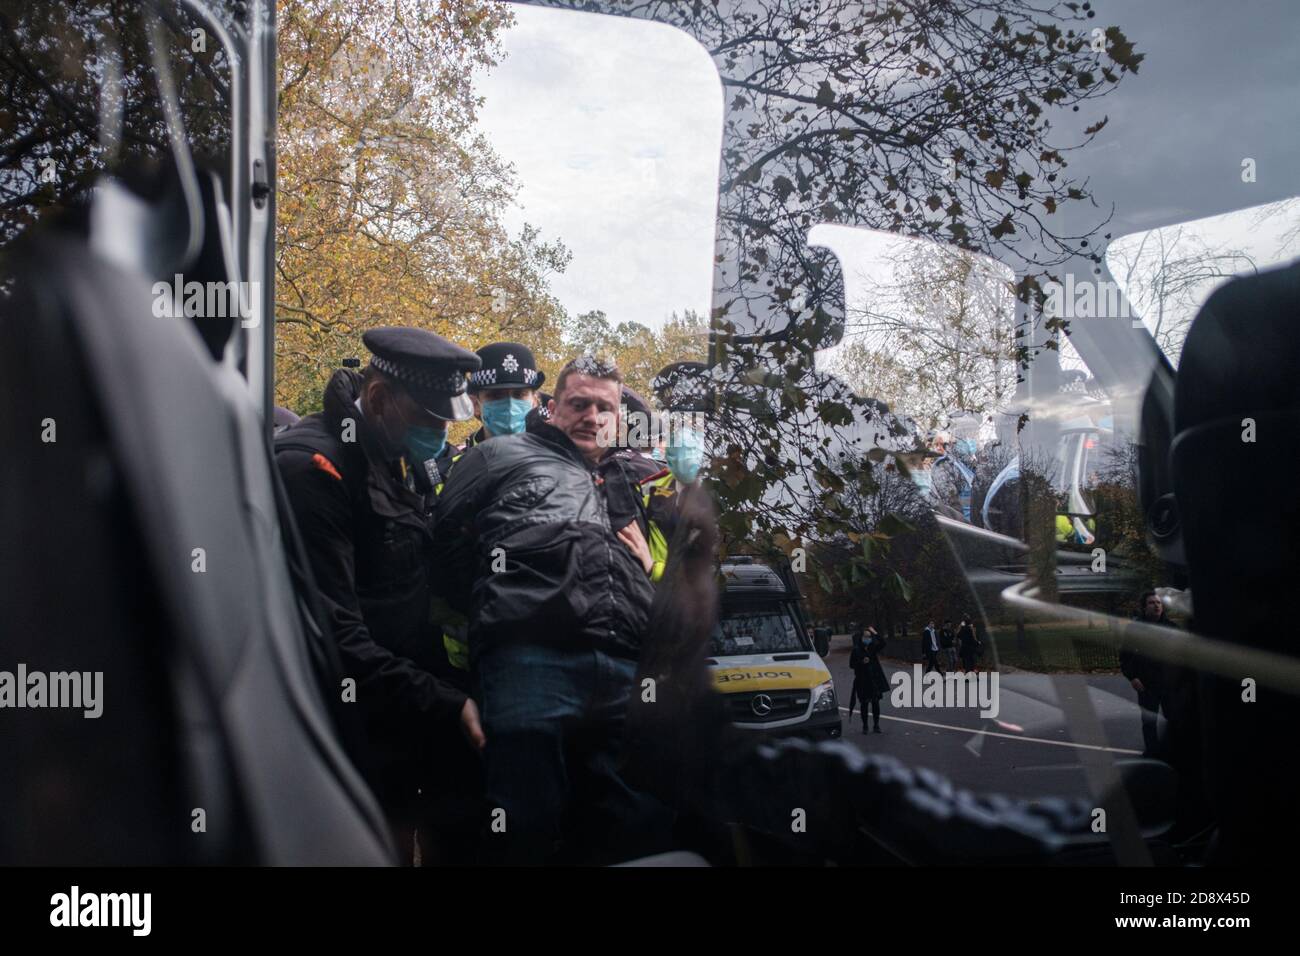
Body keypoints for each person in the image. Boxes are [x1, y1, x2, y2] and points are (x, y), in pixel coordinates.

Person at [430, 355, 669, 864]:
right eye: (579, 403)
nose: (592, 416)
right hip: (529, 661)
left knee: (631, 821)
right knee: (524, 821)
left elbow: (649, 562)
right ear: (553, 406)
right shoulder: (499, 457)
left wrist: (648, 576)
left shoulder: (627, 478)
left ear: (619, 418)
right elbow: (444, 550)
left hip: (626, 666)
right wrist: (499, 611)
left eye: (604, 407)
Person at [274, 327, 486, 859]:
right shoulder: (314, 469)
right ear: (377, 398)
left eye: (447, 421)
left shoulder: (392, 454)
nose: (440, 432)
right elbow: (331, 632)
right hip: (346, 724)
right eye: (430, 419)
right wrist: (444, 701)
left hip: (397, 713)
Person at [1119, 590, 1170, 757]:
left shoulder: (1172, 628)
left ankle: (1174, 751)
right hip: (1147, 684)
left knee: (1175, 720)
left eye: (1158, 603)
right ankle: (1152, 753)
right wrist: (1132, 677)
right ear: (1144, 607)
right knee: (1149, 722)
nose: (1156, 606)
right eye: (1151, 603)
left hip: (1171, 684)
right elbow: (1125, 656)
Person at [859, 626, 888, 734]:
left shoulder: (873, 647)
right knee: (864, 704)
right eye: (866, 636)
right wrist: (862, 662)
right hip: (863, 680)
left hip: (874, 679)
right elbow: (852, 664)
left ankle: (876, 725)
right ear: (861, 638)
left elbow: (883, 643)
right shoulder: (857, 649)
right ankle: (865, 726)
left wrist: (875, 633)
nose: (868, 638)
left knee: (875, 703)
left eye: (869, 636)